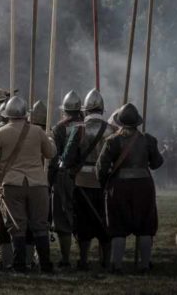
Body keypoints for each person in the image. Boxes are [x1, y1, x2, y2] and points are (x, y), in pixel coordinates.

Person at [0, 96, 57, 273]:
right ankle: (45, 265)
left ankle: (19, 265)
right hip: (37, 184)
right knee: (40, 226)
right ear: (25, 114)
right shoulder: (37, 132)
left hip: (11, 184)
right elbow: (51, 153)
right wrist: (50, 139)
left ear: (6, 114)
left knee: (16, 226)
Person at [96, 103, 163, 274]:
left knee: (118, 227)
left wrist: (105, 184)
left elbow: (101, 168)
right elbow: (157, 163)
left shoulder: (112, 141)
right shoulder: (147, 139)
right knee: (145, 226)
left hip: (119, 188)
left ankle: (116, 265)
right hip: (144, 186)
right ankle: (145, 264)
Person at [60, 89, 113, 270]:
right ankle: (106, 261)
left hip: (81, 181)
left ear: (86, 109)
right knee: (104, 221)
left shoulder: (78, 129)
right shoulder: (111, 129)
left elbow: (67, 158)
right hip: (104, 182)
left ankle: (83, 260)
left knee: (83, 223)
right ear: (102, 109)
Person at [49, 90, 84, 268]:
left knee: (63, 218)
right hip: (88, 178)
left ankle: (65, 258)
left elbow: (54, 157)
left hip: (64, 178)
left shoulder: (58, 129)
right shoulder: (89, 126)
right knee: (87, 217)